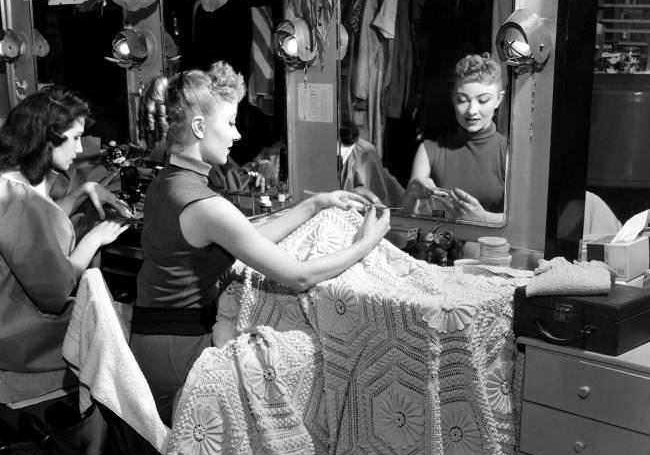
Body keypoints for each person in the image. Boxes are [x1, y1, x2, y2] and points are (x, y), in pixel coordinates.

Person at [130, 63, 391, 426]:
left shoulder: (167, 183)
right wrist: (366, 243)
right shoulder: (205, 205)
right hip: (177, 350)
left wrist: (314, 204)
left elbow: (246, 238)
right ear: (200, 127)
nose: (236, 135)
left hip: (152, 340)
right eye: (230, 123)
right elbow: (298, 277)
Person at [0, 84, 129, 402]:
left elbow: (38, 231)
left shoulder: (9, 183)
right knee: (119, 330)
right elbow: (55, 292)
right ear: (46, 139)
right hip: (23, 349)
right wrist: (96, 239)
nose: (79, 148)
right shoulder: (20, 201)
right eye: (73, 138)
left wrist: (83, 191)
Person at [401, 53, 507, 224]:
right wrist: (413, 192)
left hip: (491, 249)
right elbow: (406, 220)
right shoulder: (429, 150)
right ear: (452, 98)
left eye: (483, 100)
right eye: (462, 100)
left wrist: (483, 218)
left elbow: (524, 225)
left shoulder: (509, 153)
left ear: (498, 100)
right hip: (437, 248)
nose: (472, 110)